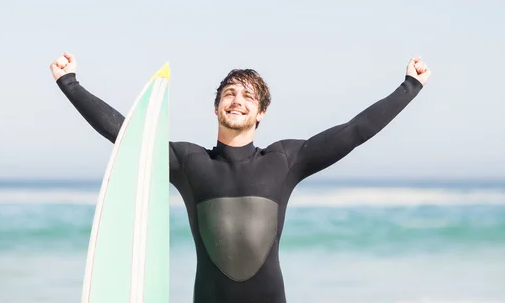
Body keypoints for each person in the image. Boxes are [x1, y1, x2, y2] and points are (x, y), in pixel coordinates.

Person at [50, 52, 430, 303]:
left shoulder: (285, 159)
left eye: (248, 97)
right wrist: (70, 82)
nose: (237, 100)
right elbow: (126, 134)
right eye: (230, 93)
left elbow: (354, 131)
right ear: (216, 106)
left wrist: (409, 86)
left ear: (261, 112)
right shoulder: (187, 162)